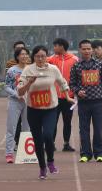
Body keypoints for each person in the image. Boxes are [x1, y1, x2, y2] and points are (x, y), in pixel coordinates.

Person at [17, 45, 69, 179]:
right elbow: (20, 91)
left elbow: (62, 82)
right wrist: (29, 83)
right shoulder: (28, 70)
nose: (40, 59)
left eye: (43, 56)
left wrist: (68, 97)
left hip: (50, 109)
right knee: (38, 140)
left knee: (48, 135)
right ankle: (42, 167)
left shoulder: (53, 69)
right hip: (33, 110)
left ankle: (50, 161)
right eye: (37, 56)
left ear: (47, 57)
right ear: (33, 57)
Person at [70, 39, 102, 163]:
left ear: (92, 50)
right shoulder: (76, 66)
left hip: (98, 102)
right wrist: (77, 91)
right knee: (84, 129)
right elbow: (72, 84)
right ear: (80, 50)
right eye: (84, 49)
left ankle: (100, 153)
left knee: (99, 129)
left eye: (88, 49)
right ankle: (86, 154)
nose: (86, 51)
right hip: (83, 103)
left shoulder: (100, 64)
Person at [49, 38, 78, 152]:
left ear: (61, 46)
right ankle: (51, 143)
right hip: (54, 97)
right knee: (52, 121)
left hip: (68, 97)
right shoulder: (51, 59)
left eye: (55, 46)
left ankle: (66, 144)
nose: (54, 48)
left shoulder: (74, 59)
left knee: (67, 121)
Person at [4, 48, 31, 164]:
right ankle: (9, 153)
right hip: (15, 102)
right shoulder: (12, 70)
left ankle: (25, 152)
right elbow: (6, 87)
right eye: (22, 54)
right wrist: (16, 94)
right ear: (17, 56)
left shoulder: (31, 69)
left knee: (27, 128)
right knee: (11, 128)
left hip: (29, 102)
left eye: (26, 54)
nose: (24, 56)